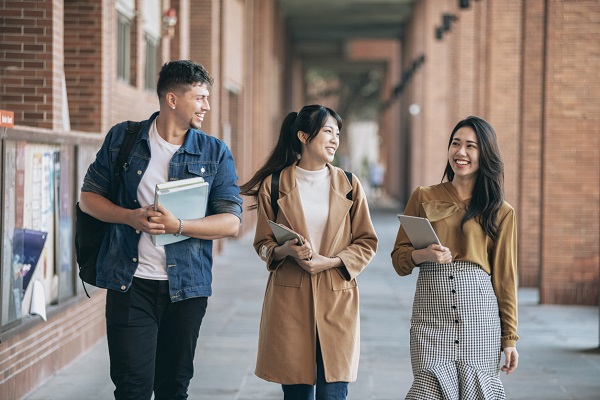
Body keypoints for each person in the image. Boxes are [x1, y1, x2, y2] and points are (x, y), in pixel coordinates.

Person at [79, 60, 242, 400]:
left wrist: (178, 225)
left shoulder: (214, 152)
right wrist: (130, 217)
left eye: (207, 98)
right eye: (199, 98)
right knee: (131, 389)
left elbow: (231, 221)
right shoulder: (123, 139)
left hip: (187, 290)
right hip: (130, 285)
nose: (207, 106)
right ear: (172, 99)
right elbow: (88, 199)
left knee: (173, 388)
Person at [240, 105, 378, 400]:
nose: (334, 140)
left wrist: (332, 261)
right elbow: (263, 244)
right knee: (297, 395)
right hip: (290, 303)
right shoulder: (274, 186)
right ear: (304, 136)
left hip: (336, 297)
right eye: (328, 131)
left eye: (337, 133)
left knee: (334, 393)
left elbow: (367, 241)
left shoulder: (350, 184)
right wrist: (285, 250)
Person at [391, 116, 518, 399]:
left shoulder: (502, 211)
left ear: (485, 154)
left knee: (477, 391)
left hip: (480, 318)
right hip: (430, 317)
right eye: (455, 144)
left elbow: (505, 279)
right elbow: (398, 259)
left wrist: (509, 338)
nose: (460, 153)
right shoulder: (423, 196)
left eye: (471, 146)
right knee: (427, 387)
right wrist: (421, 254)